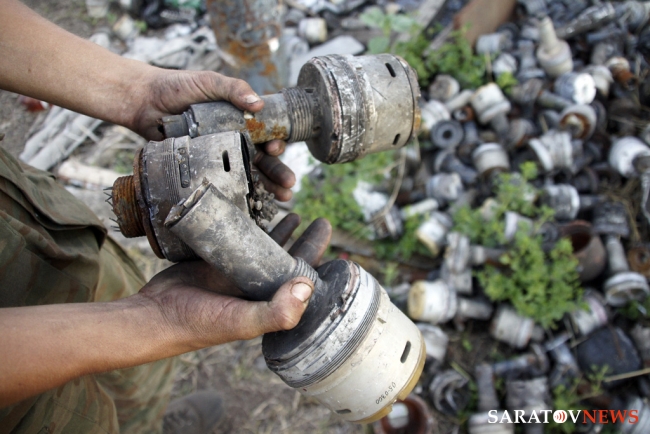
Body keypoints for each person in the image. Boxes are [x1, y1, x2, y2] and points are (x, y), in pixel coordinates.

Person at [0, 1, 332, 433]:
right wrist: (153, 322)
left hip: (22, 220)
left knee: (134, 364)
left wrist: (141, 95)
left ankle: (147, 420)